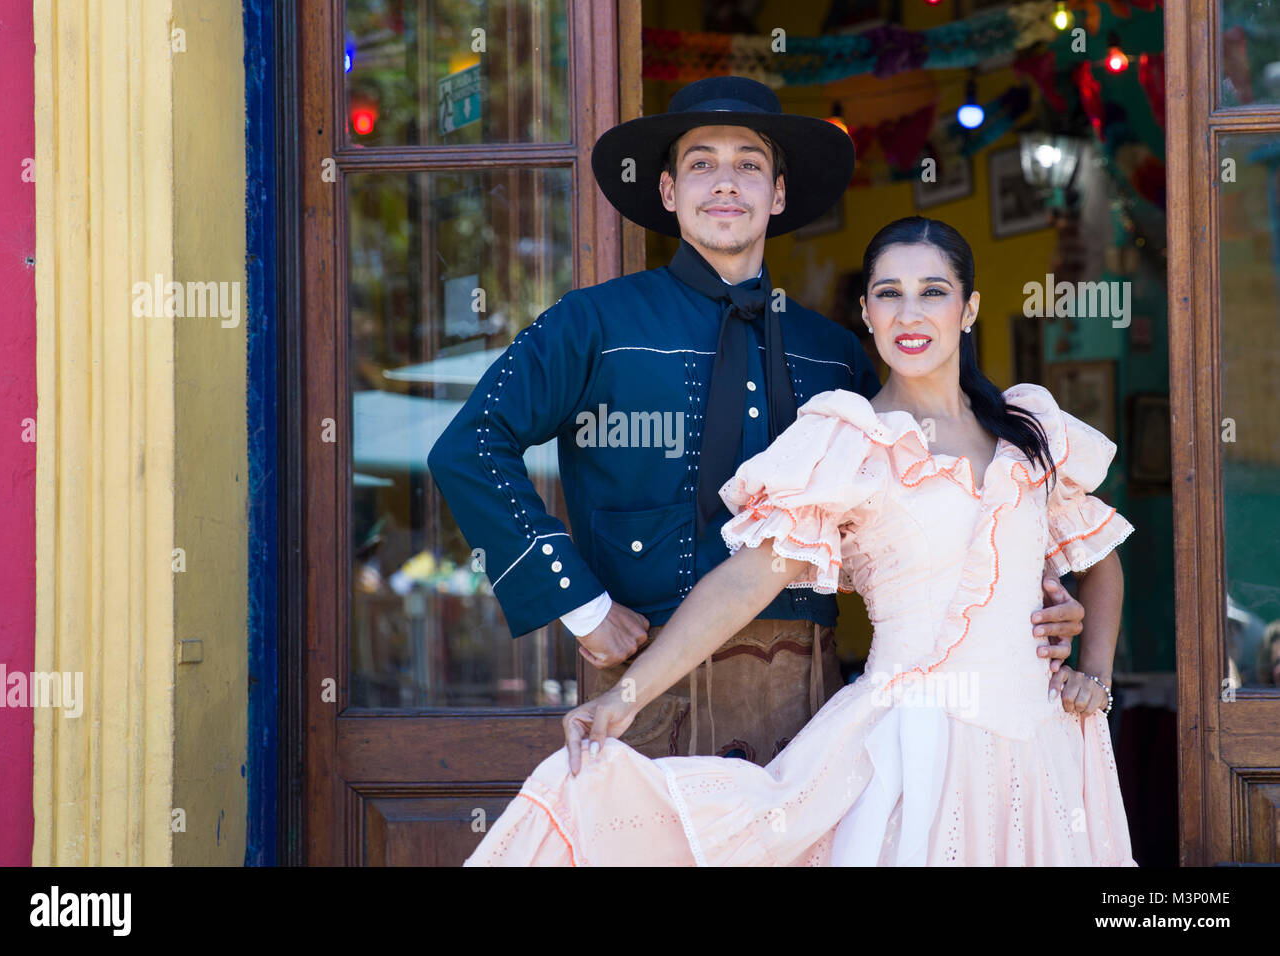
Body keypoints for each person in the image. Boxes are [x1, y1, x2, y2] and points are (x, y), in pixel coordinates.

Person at [428, 76, 1087, 764]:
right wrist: (580, 604)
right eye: (700, 163)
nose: (724, 182)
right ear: (667, 191)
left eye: (748, 163)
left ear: (776, 192)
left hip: (807, 686)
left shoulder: (834, 353)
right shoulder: (592, 323)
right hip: (642, 681)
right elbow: (469, 447)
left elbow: (932, 502)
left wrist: (1038, 597)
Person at [463, 216, 1136, 866]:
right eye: (888, 294)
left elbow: (1100, 565)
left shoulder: (1031, 432)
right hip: (916, 749)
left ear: (968, 308)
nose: (910, 313)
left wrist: (1095, 676)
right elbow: (745, 579)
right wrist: (623, 697)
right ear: (866, 314)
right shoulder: (850, 440)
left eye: (933, 291)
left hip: (1042, 746)